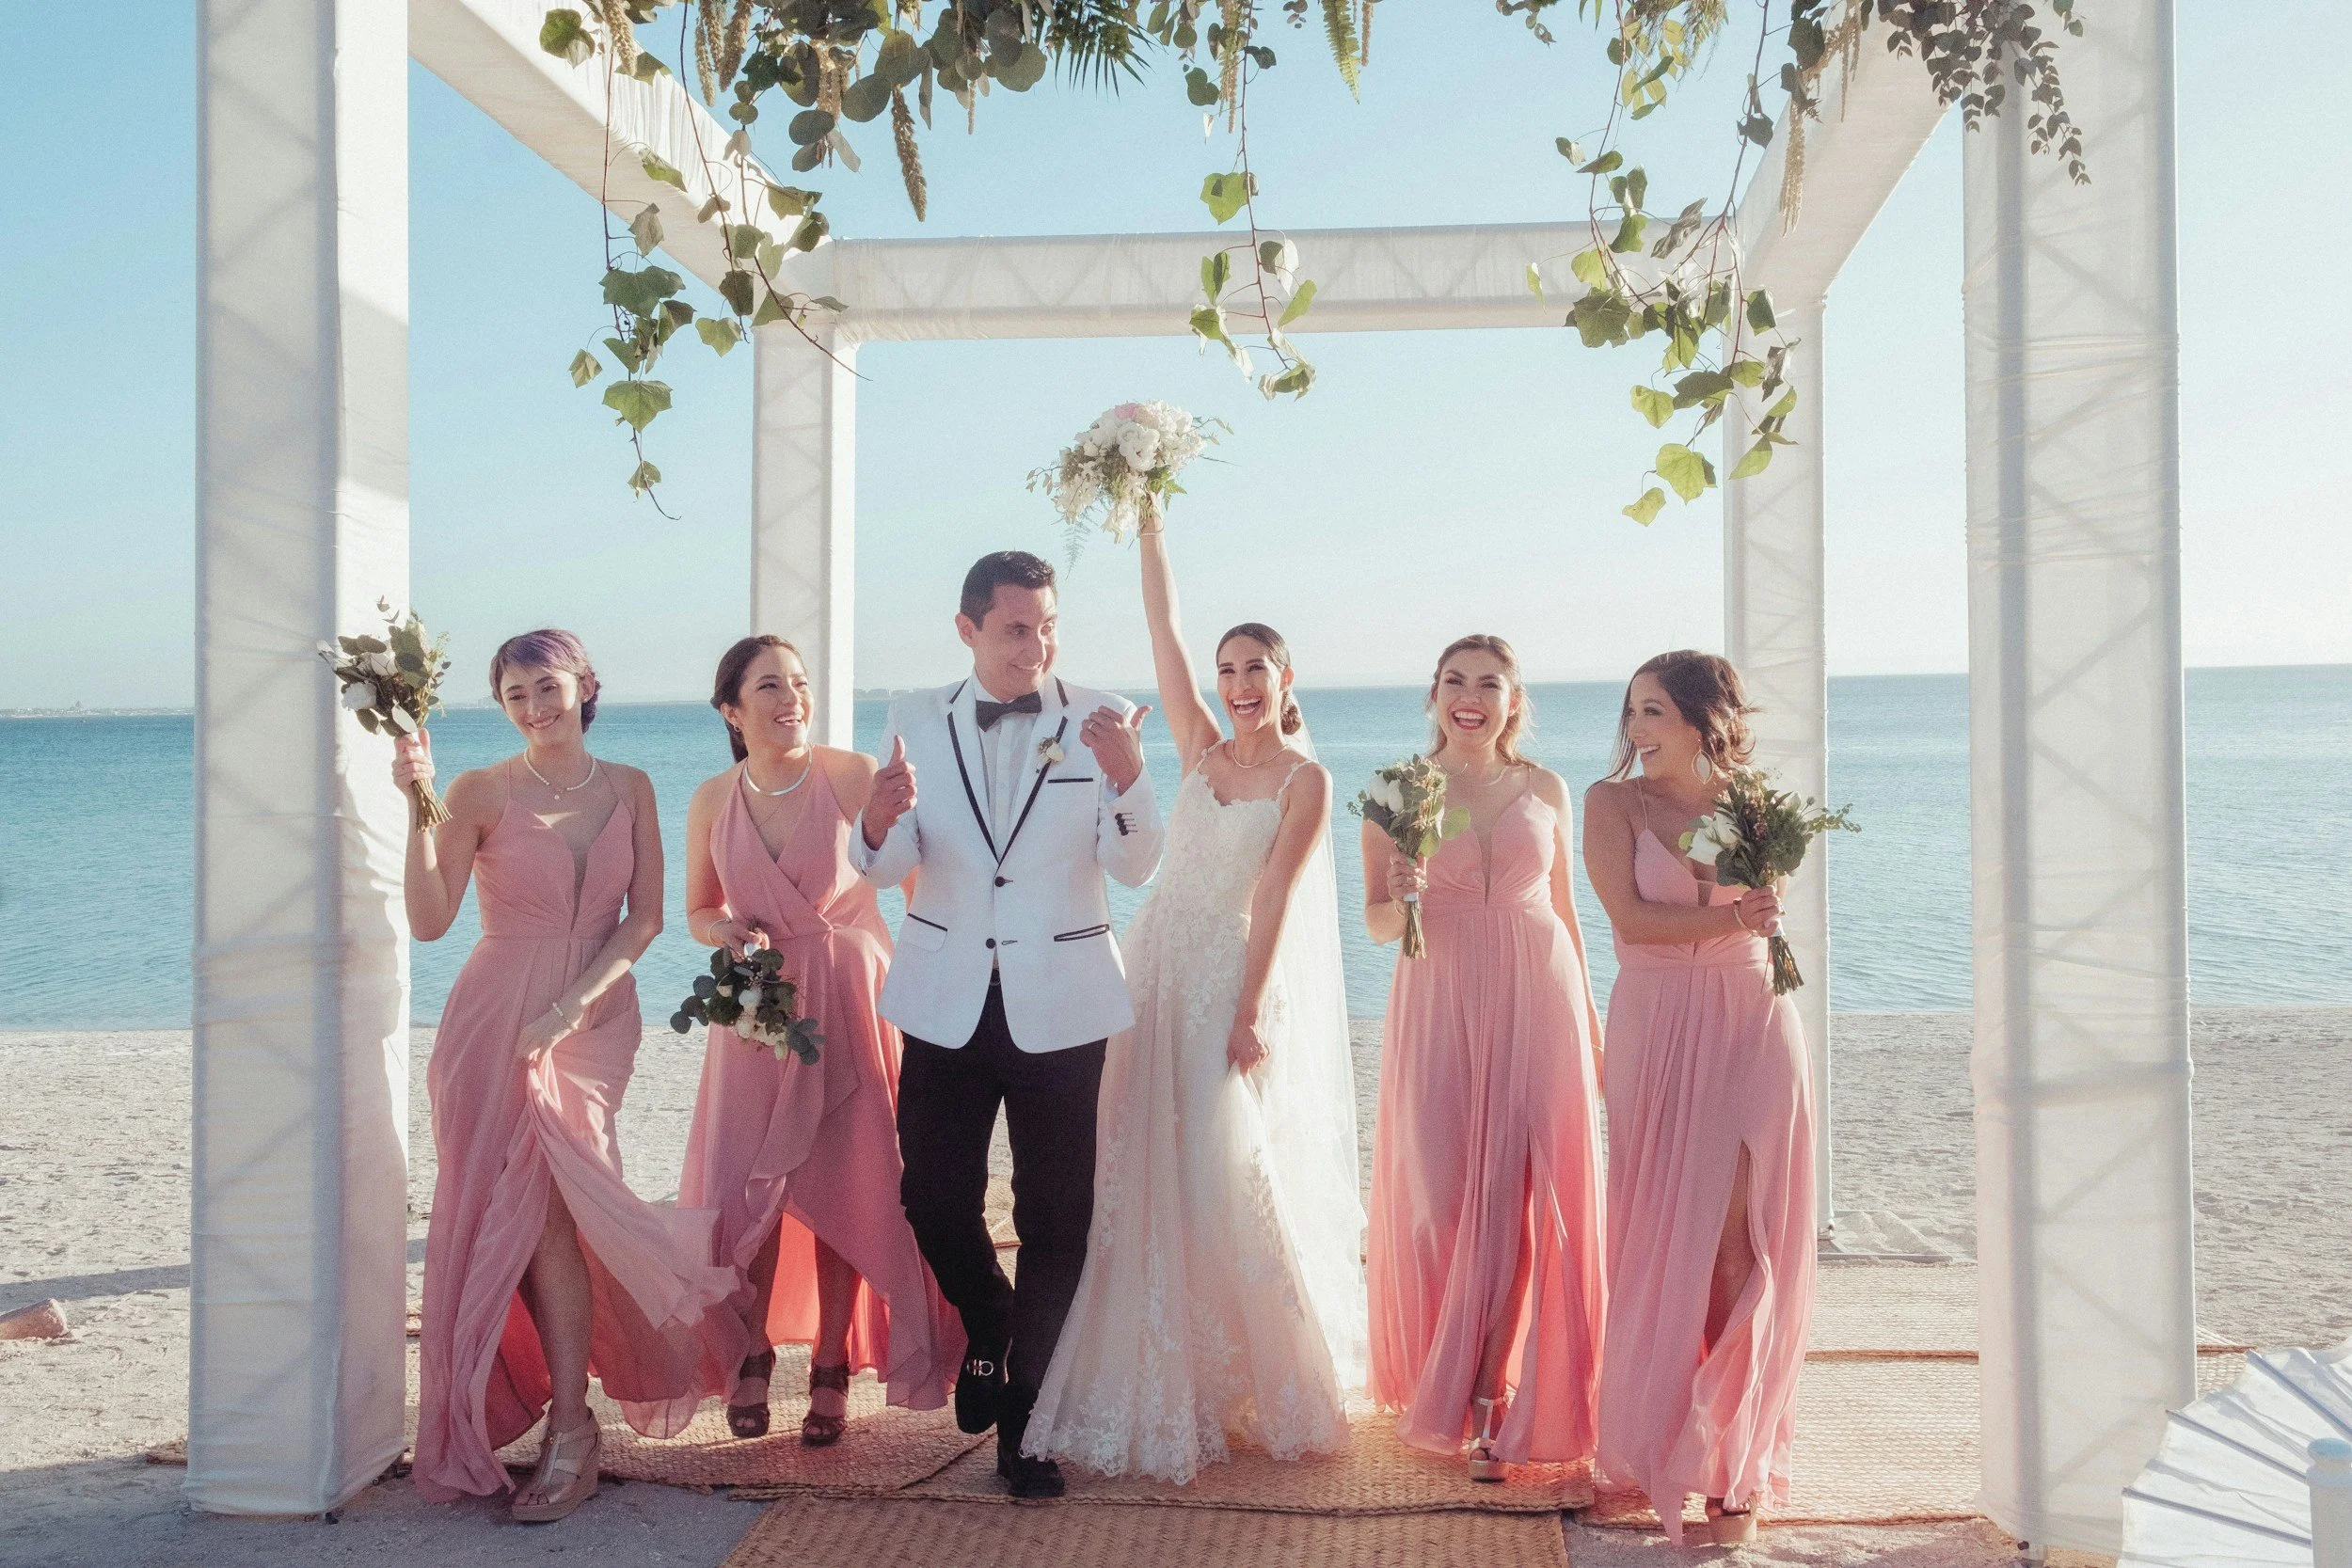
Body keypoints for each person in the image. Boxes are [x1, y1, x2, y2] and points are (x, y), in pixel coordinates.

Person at [1022, 513, 1361, 1482]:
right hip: (1154, 968)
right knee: (1138, 1162)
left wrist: (1249, 1010)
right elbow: (1161, 625)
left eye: (1257, 667)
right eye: (1228, 670)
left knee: (1223, 1165)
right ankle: (1166, 1372)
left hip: (1226, 981)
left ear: (1285, 680)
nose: (1239, 684)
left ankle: (1273, 1377)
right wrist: (1150, 517)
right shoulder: (1201, 751)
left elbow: (1275, 897)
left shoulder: (1306, 778)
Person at [394, 629, 733, 1522]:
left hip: (593, 1019)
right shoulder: (476, 790)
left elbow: (647, 920)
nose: (535, 708)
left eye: (547, 687)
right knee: (530, 1208)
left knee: (577, 1201)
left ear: (583, 684)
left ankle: (570, 1420)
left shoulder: (631, 786)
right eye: (514, 695)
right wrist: (415, 802)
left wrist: (574, 1006)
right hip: (496, 1019)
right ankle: (571, 1429)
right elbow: (431, 923)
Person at [850, 550, 1167, 1498]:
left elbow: (1139, 863)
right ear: (969, 630)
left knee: (1056, 1216)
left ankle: (1026, 1421)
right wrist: (871, 823)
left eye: (1047, 626)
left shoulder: (1103, 713)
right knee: (933, 1197)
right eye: (1016, 628)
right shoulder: (913, 715)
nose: (1037, 645)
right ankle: (990, 1321)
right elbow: (884, 862)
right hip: (944, 997)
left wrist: (1128, 780)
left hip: (1064, 1002)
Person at [677, 635, 962, 1446]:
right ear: (733, 709)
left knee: (849, 1180)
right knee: (749, 1184)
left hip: (848, 997)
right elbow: (698, 909)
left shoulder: (849, 777)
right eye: (770, 685)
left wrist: (933, 991)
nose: (791, 697)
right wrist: (724, 930)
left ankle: (834, 1361)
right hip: (757, 1010)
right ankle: (754, 1347)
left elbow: (919, 888)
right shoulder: (709, 798)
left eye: (799, 682)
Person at [1581, 650, 1815, 1546]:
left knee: (1741, 1238)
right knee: (1665, 1230)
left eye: (1655, 714)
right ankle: (1664, 1439)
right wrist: (1731, 915)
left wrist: (1746, 919)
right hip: (1657, 1023)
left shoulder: (1758, 806)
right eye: (1632, 712)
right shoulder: (1612, 804)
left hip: (1752, 1020)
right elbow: (1632, 921)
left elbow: (1770, 910)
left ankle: (1731, 1456)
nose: (1638, 732)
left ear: (1700, 721)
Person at [1362, 635, 1608, 1482]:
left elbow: (1567, 909)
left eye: (1489, 684)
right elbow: (1377, 927)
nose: (1471, 697)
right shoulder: (1396, 786)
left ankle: (1490, 1398)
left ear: (1514, 698)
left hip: (1544, 994)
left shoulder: (1547, 787)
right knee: (1443, 1195)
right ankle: (1448, 1367)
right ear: (1433, 694)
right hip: (1441, 998)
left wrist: (1594, 1018)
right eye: (1455, 682)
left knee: (1527, 1190)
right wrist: (1400, 893)